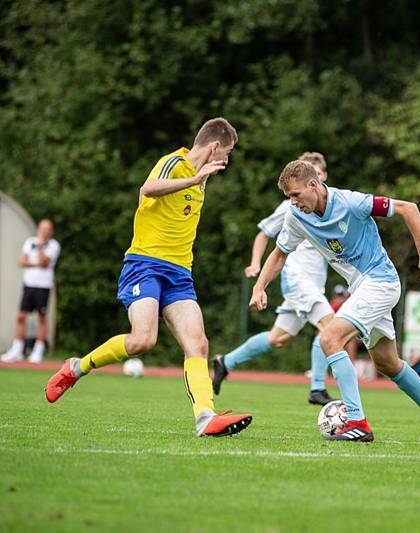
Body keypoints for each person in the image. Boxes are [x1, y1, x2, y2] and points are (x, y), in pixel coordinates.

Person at [44, 118, 252, 437]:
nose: (227, 159)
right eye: (228, 152)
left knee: (198, 343)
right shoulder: (174, 163)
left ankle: (205, 418)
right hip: (145, 264)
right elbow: (148, 189)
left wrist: (199, 180)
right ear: (213, 147)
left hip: (180, 273)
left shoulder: (203, 179)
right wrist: (194, 178)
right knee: (143, 340)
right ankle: (76, 367)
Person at [250, 160, 420, 443]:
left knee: (329, 338)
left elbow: (409, 209)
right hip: (361, 287)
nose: (293, 202)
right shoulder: (296, 217)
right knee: (387, 363)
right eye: (289, 197)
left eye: (296, 195)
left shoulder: (351, 202)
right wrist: (259, 287)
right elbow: (279, 253)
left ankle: (357, 422)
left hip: (380, 282)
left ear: (314, 185)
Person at [211, 152, 337, 406]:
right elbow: (263, 233)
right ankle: (317, 388)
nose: (316, 178)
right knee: (331, 326)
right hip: (297, 278)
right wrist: (255, 264)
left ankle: (225, 362)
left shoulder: (329, 203)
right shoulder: (293, 204)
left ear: (321, 177)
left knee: (277, 338)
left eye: (319, 174)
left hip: (314, 283)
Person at [1, 219, 61, 364]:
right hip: (29, 285)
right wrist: (35, 263)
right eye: (42, 228)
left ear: (51, 231)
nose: (44, 231)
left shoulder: (53, 245)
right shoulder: (29, 242)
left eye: (47, 229)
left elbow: (44, 262)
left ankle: (38, 351)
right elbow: (22, 261)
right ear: (38, 229)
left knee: (42, 317)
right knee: (21, 316)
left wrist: (40, 247)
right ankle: (17, 350)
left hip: (43, 286)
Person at [329, 284, 360, 362]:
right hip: (336, 334)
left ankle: (352, 366)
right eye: (337, 296)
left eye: (341, 295)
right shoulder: (332, 306)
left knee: (351, 340)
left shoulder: (350, 306)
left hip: (355, 336)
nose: (339, 298)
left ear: (346, 297)